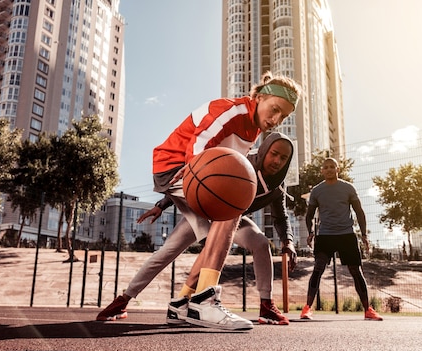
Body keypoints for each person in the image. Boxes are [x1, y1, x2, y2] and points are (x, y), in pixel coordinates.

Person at [105, 72, 301, 330]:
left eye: (284, 116)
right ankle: (205, 300)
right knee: (228, 209)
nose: (276, 119)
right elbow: (199, 144)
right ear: (260, 96)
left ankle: (182, 303)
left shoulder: (253, 132)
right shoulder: (232, 111)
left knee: (199, 237)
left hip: (196, 172)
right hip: (176, 166)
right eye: (274, 109)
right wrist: (168, 198)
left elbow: (227, 171)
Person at [300, 158, 383, 321]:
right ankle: (307, 308)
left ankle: (368, 310)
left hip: (346, 235)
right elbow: (309, 215)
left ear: (338, 169)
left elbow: (359, 211)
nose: (329, 169)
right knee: (318, 269)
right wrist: (310, 232)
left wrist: (364, 235)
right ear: (322, 171)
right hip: (325, 235)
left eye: (332, 167)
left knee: (356, 271)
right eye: (326, 167)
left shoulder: (348, 188)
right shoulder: (317, 191)